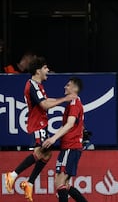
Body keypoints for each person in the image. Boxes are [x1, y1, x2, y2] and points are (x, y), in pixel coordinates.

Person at [3, 57, 76, 202]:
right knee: (41, 152)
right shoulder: (32, 85)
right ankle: (12, 175)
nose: (47, 70)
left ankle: (29, 183)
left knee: (46, 154)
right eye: (45, 68)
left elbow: (46, 101)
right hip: (38, 124)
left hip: (41, 123)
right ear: (38, 70)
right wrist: (64, 99)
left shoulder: (38, 85)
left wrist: (61, 99)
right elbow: (44, 105)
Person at [42, 77, 87, 202]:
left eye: (68, 85)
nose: (65, 87)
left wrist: (53, 138)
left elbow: (70, 123)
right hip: (71, 146)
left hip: (70, 147)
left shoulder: (74, 104)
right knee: (63, 184)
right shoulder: (75, 103)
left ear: (74, 88)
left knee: (60, 182)